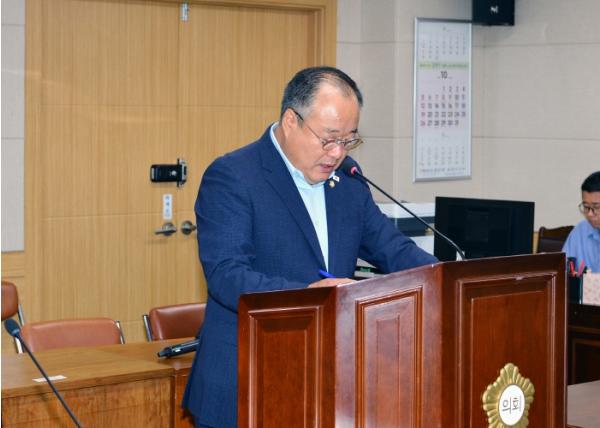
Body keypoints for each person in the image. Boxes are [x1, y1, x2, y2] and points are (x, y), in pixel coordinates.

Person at [182, 66, 438, 427]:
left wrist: (443, 277)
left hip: (327, 382)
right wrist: (310, 295)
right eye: (329, 139)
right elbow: (227, 275)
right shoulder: (234, 176)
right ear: (291, 121)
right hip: (249, 381)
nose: (337, 153)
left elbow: (391, 247)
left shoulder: (347, 178)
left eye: (348, 140)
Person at [563, 171, 600, 273]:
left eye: (596, 207)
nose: (590, 214)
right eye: (586, 207)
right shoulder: (580, 231)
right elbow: (563, 270)